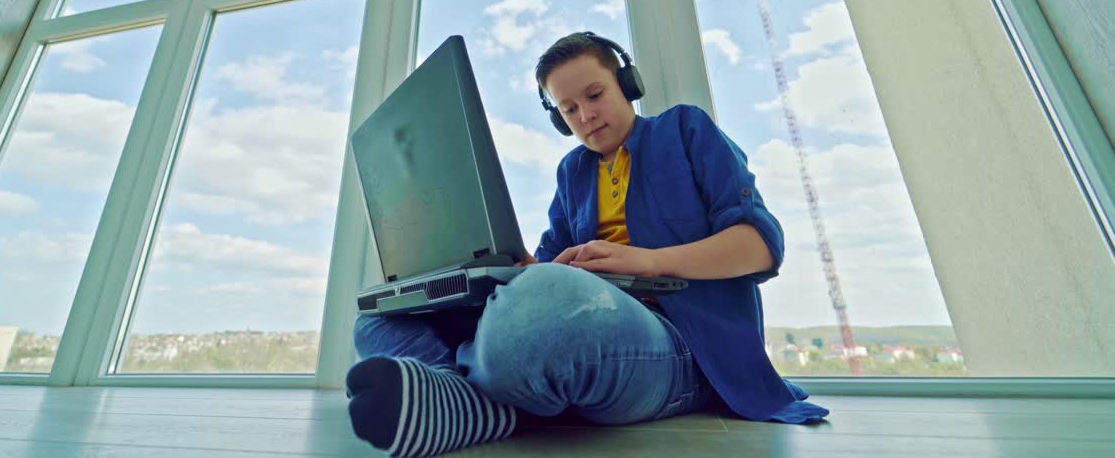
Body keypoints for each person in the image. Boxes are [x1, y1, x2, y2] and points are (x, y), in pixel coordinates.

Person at [345, 32, 828, 458]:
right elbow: (543, 268)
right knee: (378, 319)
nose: (585, 115)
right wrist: (502, 268)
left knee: (542, 310)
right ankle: (466, 399)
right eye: (569, 109)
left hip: (684, 349)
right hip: (585, 322)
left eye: (594, 95)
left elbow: (761, 246)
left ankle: (463, 393)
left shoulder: (685, 129)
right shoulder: (572, 172)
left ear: (626, 84)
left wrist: (648, 261)